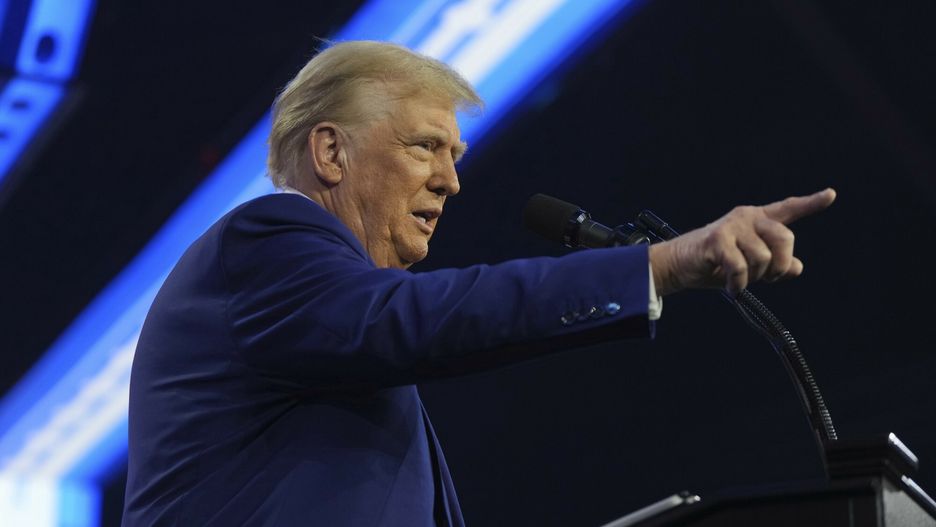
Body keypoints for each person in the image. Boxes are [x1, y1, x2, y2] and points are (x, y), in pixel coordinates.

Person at [122, 41, 835, 526]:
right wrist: (661, 264)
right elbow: (422, 317)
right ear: (331, 152)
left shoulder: (330, 332)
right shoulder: (269, 239)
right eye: (425, 146)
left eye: (455, 154)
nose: (451, 180)